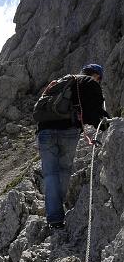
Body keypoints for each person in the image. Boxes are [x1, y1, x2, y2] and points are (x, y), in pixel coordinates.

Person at [37, 63, 110, 230]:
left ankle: (54, 218)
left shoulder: (63, 81)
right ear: (97, 75)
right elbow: (93, 110)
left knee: (50, 174)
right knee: (63, 171)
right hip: (67, 132)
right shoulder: (90, 83)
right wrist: (105, 124)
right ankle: (57, 214)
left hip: (44, 131)